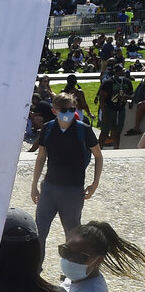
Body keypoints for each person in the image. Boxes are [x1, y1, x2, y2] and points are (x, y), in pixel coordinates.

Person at [31, 92, 103, 254]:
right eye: (64, 109)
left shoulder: (83, 130)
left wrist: (95, 183)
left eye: (72, 109)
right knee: (39, 233)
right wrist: (34, 185)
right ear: (55, 110)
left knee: (72, 235)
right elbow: (41, 157)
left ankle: (71, 273)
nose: (69, 113)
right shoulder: (48, 128)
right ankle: (35, 270)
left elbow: (98, 155)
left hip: (73, 191)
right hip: (49, 189)